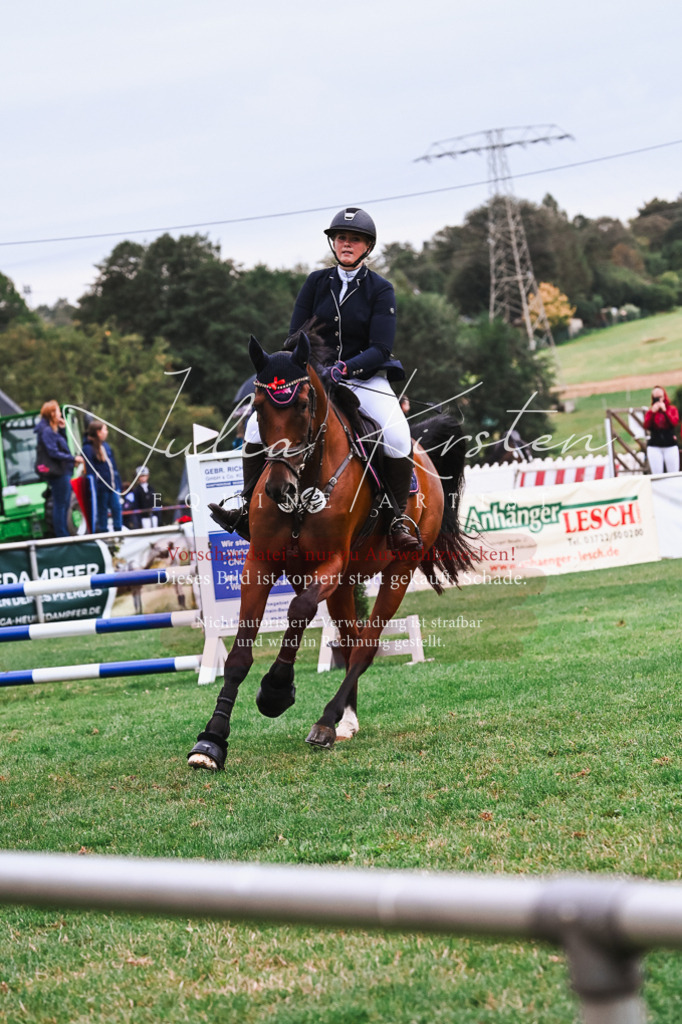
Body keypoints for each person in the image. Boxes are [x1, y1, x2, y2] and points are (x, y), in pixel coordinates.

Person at [213, 207, 420, 553]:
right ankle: (246, 509)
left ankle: (397, 518)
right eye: (341, 238)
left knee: (397, 434)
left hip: (363, 380)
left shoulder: (381, 290)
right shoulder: (315, 282)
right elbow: (295, 336)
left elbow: (381, 348)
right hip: (316, 380)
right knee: (253, 428)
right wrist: (309, 368)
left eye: (354, 239)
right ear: (333, 243)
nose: (346, 244)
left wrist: (345, 368)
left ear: (367, 246)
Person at [35, 400, 83, 537]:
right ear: (52, 413)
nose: (60, 414)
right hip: (57, 473)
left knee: (65, 503)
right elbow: (53, 452)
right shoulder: (46, 431)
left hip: (63, 471)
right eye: (57, 411)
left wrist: (62, 429)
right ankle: (61, 535)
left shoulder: (53, 430)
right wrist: (73, 459)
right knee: (60, 504)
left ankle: (64, 532)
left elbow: (62, 446)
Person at [82, 420, 123, 532]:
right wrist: (96, 484)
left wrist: (118, 483)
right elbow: (90, 470)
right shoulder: (88, 448)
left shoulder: (106, 446)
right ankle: (103, 532)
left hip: (112, 485)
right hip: (101, 487)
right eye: (105, 429)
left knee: (117, 508)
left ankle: (118, 531)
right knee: (102, 511)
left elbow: (113, 466)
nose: (107, 432)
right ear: (98, 432)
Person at [644, 387, 680, 474]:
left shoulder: (671, 409)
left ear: (664, 397)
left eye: (660, 397)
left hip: (670, 444)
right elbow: (646, 426)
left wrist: (665, 411)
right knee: (657, 473)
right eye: (655, 398)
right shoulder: (651, 411)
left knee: (673, 473)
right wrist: (653, 413)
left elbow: (674, 423)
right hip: (655, 445)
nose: (658, 400)